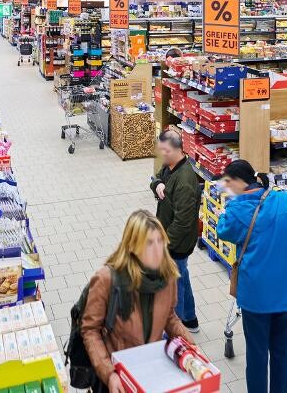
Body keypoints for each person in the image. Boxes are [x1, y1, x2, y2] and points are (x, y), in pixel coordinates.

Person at [217, 160, 287, 393]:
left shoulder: (235, 210)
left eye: (228, 182)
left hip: (256, 296)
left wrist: (227, 207)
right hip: (286, 293)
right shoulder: (283, 199)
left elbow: (222, 230)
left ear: (238, 182)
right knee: (281, 351)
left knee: (256, 353)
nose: (226, 187)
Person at [82, 210, 194, 393]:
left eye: (160, 241)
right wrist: (109, 373)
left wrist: (192, 348)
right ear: (133, 246)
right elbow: (90, 330)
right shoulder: (107, 279)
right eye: (149, 243)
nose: (158, 249)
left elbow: (169, 317)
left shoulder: (168, 275)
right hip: (119, 372)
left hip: (151, 369)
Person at [149, 129, 202, 332]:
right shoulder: (169, 166)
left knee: (174, 284)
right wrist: (158, 184)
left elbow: (183, 222)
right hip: (170, 234)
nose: (161, 154)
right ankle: (190, 318)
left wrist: (163, 243)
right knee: (182, 274)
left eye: (165, 150)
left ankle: (176, 328)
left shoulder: (185, 181)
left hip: (177, 242)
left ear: (177, 149)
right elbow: (154, 178)